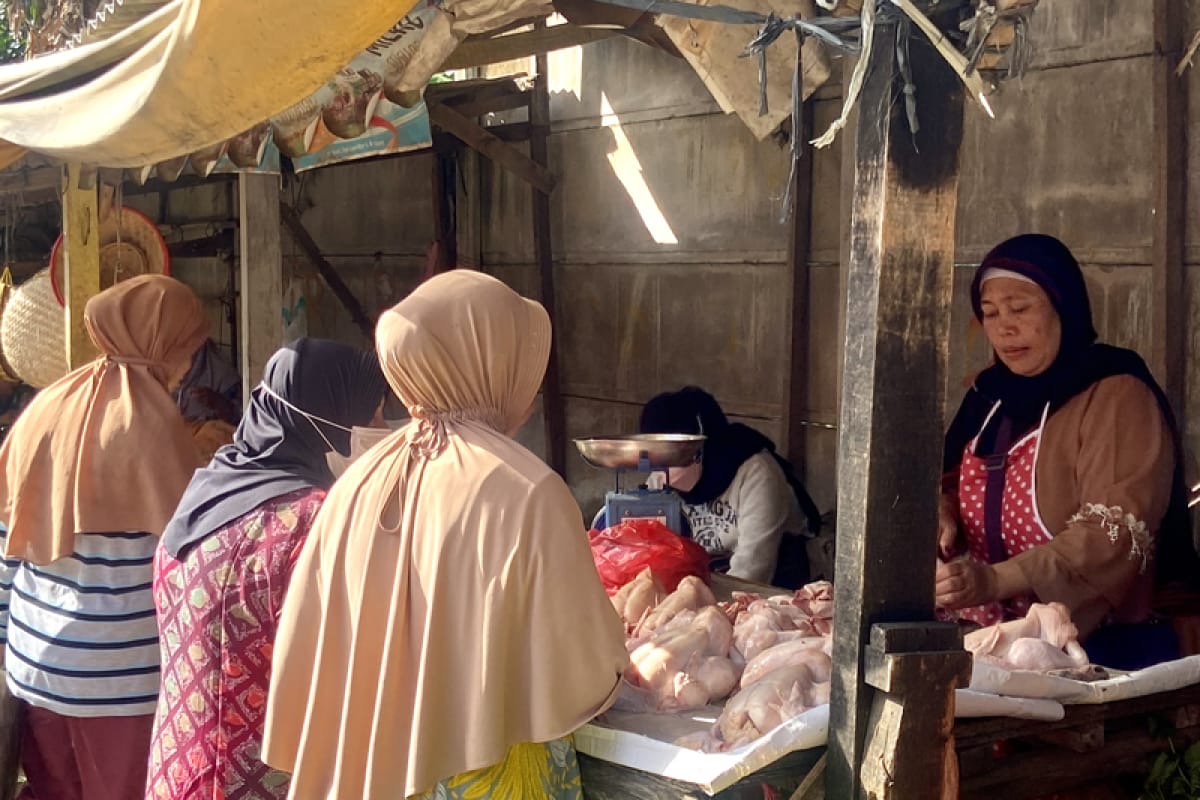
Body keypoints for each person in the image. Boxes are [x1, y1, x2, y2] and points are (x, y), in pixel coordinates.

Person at [260, 270, 627, 799]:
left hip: (369, 770)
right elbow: (587, 674)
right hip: (490, 774)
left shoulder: (356, 479)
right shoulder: (528, 490)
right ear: (491, 363)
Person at [936, 233, 1194, 669]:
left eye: (1021, 309)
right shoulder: (989, 397)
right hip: (994, 635)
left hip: (1108, 642)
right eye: (990, 313)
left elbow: (1112, 534)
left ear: (1064, 307)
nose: (1004, 327)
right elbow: (947, 481)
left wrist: (994, 580)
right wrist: (942, 514)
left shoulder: (1116, 395)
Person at [145, 338, 388, 800]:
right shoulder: (310, 521)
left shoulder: (210, 489)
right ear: (326, 417)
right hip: (255, 779)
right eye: (371, 416)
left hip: (181, 765)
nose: (380, 430)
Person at [0, 275, 209, 800]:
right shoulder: (154, 426)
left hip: (36, 665)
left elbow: (7, 540)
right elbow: (185, 564)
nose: (187, 366)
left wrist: (9, 645)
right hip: (120, 681)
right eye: (186, 349)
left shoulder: (45, 407)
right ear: (158, 344)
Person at [638, 387, 823, 587]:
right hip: (703, 579)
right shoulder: (658, 480)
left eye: (673, 455)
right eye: (655, 457)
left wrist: (698, 607)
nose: (662, 471)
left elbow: (752, 570)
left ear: (701, 447)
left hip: (772, 581)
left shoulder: (757, 474)